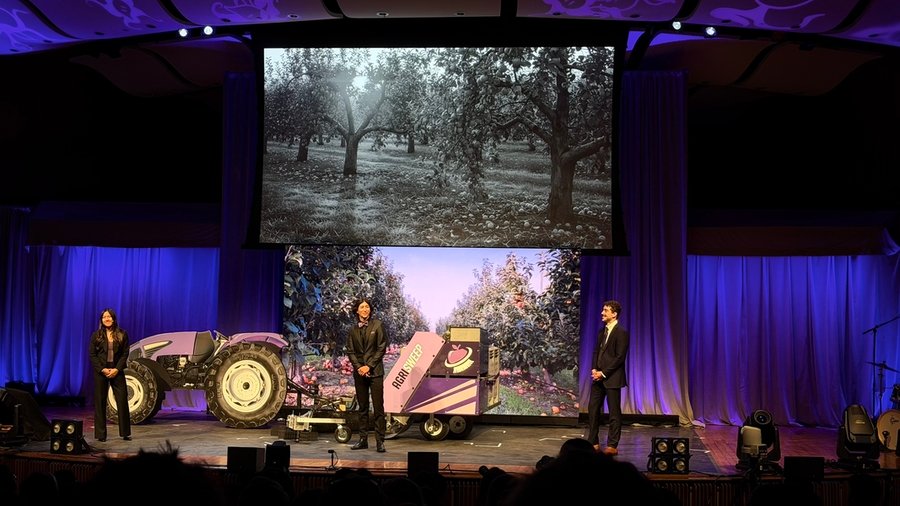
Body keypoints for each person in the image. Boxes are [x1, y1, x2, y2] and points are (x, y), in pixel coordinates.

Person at [584, 299, 629, 456]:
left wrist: (604, 373)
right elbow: (596, 352)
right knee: (593, 409)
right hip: (598, 377)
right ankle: (593, 441)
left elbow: (619, 357)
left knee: (614, 413)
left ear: (614, 314)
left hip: (612, 378)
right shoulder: (601, 331)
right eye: (603, 310)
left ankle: (612, 444)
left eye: (606, 310)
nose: (602, 313)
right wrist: (594, 369)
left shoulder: (621, 332)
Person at [346, 298, 387, 453]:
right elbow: (350, 351)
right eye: (362, 307)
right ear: (357, 310)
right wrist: (359, 368)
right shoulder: (352, 330)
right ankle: (362, 440)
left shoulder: (378, 325)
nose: (365, 309)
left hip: (375, 372)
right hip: (360, 374)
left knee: (378, 408)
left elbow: (382, 348)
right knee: (362, 407)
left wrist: (368, 366)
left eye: (367, 307)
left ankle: (380, 441)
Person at [88, 308, 132, 442]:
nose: (106, 319)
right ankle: (101, 435)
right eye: (104, 317)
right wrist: (102, 369)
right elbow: (92, 355)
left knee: (122, 401)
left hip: (116, 371)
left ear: (113, 319)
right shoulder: (96, 335)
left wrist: (117, 369)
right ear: (101, 320)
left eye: (109, 317)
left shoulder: (122, 334)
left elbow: (125, 353)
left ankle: (125, 433)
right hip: (101, 372)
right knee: (100, 402)